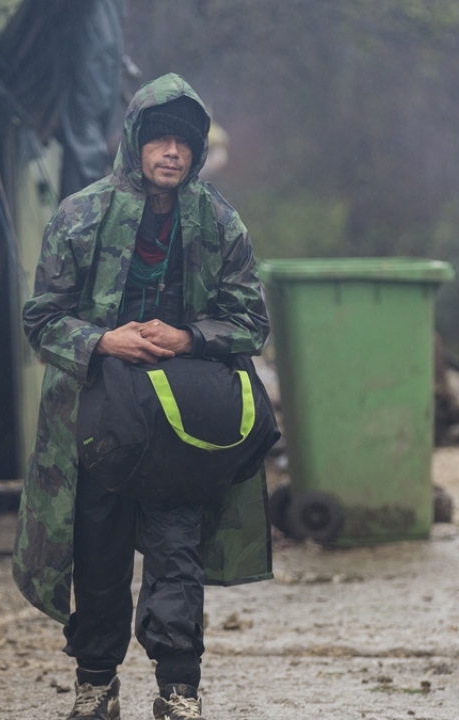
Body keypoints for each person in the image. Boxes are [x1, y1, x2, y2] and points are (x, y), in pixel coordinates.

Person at [16, 74, 271, 720]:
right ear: (135, 142)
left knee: (176, 553)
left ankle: (179, 690)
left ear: (198, 151)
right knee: (97, 552)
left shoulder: (218, 222)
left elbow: (251, 321)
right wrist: (105, 341)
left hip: (180, 423)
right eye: (160, 139)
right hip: (98, 414)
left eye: (184, 142)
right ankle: (96, 685)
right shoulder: (81, 215)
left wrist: (188, 338)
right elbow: (41, 320)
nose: (172, 152)